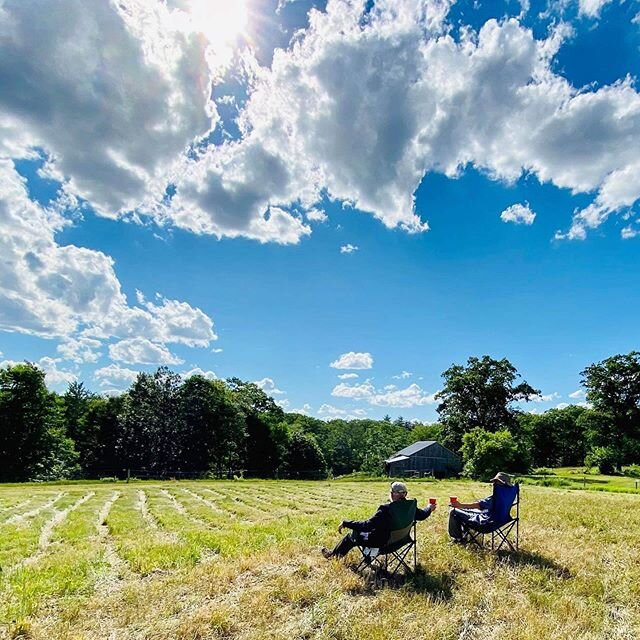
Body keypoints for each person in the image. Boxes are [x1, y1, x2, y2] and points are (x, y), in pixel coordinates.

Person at [321, 481, 436, 559]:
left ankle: (333, 556)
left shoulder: (386, 509)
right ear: (405, 494)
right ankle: (368, 558)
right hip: (401, 541)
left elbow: (367, 525)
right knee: (373, 532)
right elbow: (423, 515)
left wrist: (347, 523)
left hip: (382, 544)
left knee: (352, 536)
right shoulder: (410, 507)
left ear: (392, 494)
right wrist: (429, 507)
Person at [447, 471, 512, 542]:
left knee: (453, 512)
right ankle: (467, 535)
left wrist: (460, 505)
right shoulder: (508, 496)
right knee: (474, 511)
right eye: (494, 482)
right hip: (500, 521)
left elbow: (478, 505)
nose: (494, 484)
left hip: (486, 524)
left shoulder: (496, 499)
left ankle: (458, 539)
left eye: (497, 482)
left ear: (503, 484)